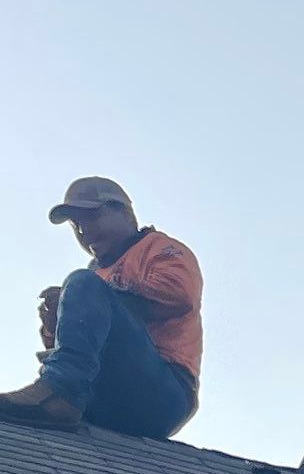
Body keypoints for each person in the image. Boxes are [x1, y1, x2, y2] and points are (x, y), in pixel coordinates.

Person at [0, 179, 201, 438]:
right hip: (109, 398)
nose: (83, 231)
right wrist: (57, 324)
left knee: (82, 283)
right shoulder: (96, 274)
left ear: (124, 213)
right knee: (83, 284)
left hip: (164, 393)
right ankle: (56, 397)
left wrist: (94, 295)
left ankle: (59, 392)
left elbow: (178, 294)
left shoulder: (159, 248)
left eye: (91, 217)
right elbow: (82, 352)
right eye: (76, 224)